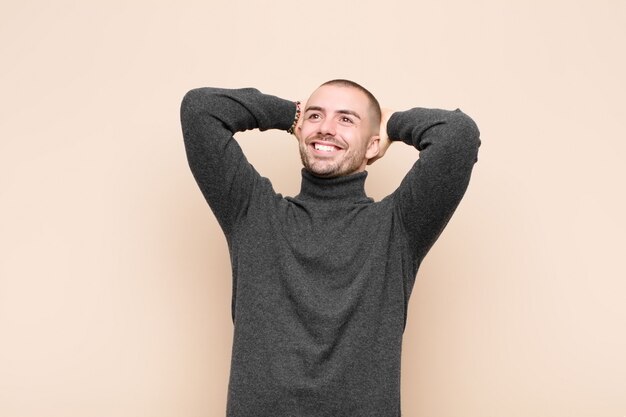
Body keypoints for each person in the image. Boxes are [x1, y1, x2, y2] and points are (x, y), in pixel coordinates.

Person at [180, 79, 480, 417]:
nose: (326, 128)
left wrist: (391, 123)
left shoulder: (398, 228)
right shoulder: (252, 212)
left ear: (373, 145)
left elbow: (458, 135)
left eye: (346, 119)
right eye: (315, 116)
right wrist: (290, 114)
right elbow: (199, 109)